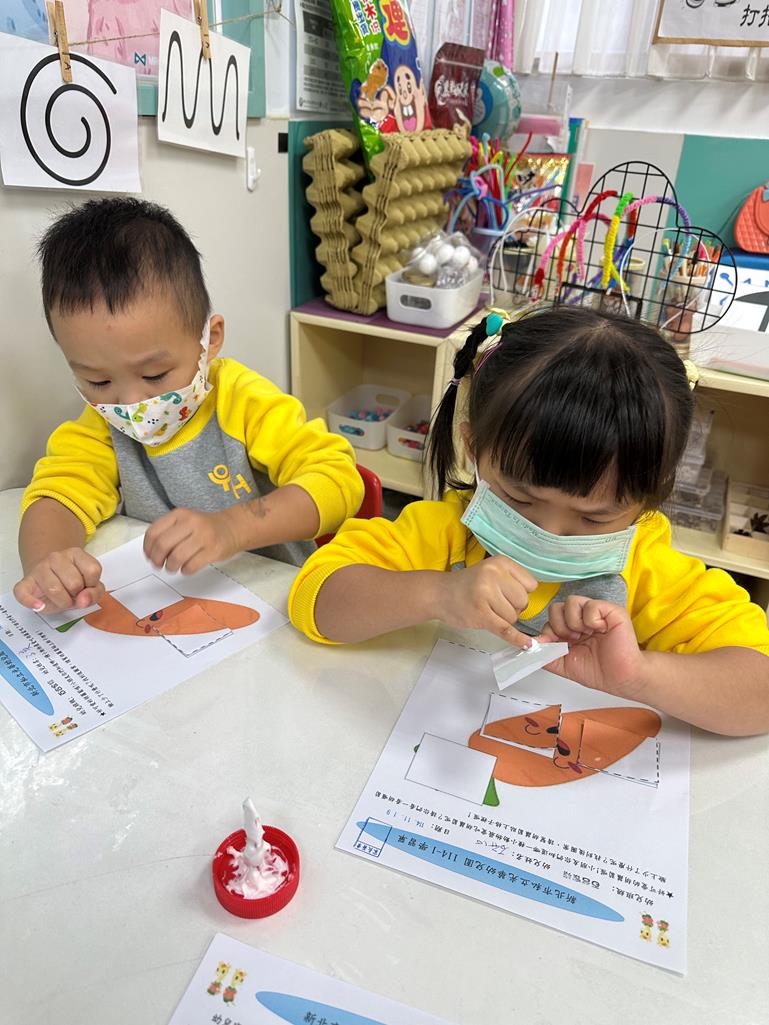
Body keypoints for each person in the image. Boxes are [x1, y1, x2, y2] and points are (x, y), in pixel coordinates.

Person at [288, 306, 769, 736]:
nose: (547, 532)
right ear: (474, 450)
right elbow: (315, 598)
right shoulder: (445, 533)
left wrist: (638, 674)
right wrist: (438, 593)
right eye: (519, 498)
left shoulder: (649, 571)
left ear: (649, 497)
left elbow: (759, 688)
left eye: (594, 517)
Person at [14, 198, 363, 614]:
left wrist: (232, 527)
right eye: (99, 381)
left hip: (275, 602)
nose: (132, 404)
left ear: (209, 340)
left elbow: (338, 480)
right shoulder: (101, 424)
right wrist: (48, 562)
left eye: (156, 374)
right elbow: (58, 494)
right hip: (171, 603)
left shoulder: (243, 400)